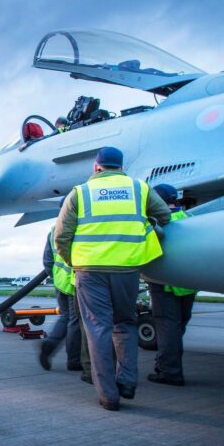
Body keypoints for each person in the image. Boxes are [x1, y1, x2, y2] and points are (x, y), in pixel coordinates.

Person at [54, 146, 171, 411]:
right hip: (127, 269)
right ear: (121, 167)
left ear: (96, 167)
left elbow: (61, 236)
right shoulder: (139, 189)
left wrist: (75, 262)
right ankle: (127, 381)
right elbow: (164, 216)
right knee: (125, 324)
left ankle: (109, 395)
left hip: (90, 271)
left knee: (97, 330)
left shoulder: (80, 193)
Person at [146, 184, 196, 386]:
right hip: (189, 284)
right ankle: (166, 364)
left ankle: (169, 372)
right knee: (178, 327)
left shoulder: (159, 223)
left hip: (165, 284)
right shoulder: (188, 219)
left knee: (167, 327)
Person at [38, 199, 81, 372]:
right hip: (74, 279)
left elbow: (47, 260)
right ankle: (74, 359)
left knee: (65, 317)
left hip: (60, 280)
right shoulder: (78, 225)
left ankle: (50, 343)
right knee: (75, 321)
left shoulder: (54, 228)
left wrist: (56, 277)